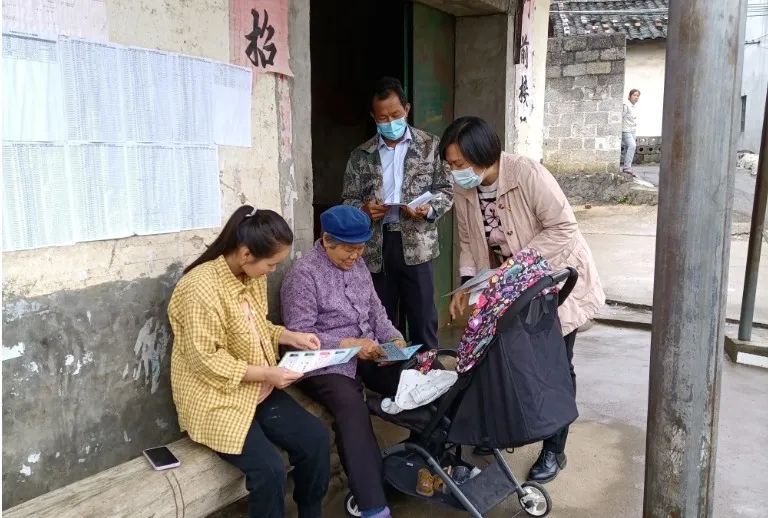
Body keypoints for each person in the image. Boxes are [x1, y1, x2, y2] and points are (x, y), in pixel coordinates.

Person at [441, 116, 605, 484]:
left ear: (483, 154)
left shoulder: (528, 173)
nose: (454, 173)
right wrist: (468, 285)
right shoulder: (464, 189)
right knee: (502, 356)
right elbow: (469, 241)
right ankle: (500, 427)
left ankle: (554, 448)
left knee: (555, 363)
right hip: (507, 286)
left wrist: (514, 267)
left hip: (551, 282)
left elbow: (564, 228)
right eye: (450, 166)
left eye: (459, 164)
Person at [168, 205, 331, 518]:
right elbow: (205, 359)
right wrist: (267, 373)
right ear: (245, 254)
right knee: (269, 472)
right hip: (215, 397)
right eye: (271, 264)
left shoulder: (250, 275)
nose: (273, 271)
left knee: (316, 440)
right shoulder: (199, 289)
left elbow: (254, 325)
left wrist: (289, 336)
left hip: (258, 389)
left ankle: (311, 512)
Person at [281, 205, 407, 518]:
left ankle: (423, 458)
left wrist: (394, 338)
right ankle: (373, 504)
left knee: (414, 374)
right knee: (351, 407)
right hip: (323, 362)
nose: (355, 257)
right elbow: (299, 336)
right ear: (326, 240)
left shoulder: (358, 265)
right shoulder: (304, 275)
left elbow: (376, 312)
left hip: (367, 351)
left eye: (361, 249)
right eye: (348, 250)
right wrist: (348, 345)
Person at [342, 76, 453, 349]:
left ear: (407, 109)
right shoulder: (361, 155)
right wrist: (364, 210)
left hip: (418, 246)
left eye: (395, 114)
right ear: (373, 117)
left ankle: (427, 376)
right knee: (383, 316)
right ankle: (391, 377)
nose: (390, 122)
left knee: (423, 316)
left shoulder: (431, 146)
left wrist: (428, 209)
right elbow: (348, 199)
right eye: (382, 118)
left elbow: (447, 191)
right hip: (376, 248)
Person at [622, 89, 641, 175]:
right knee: (632, 145)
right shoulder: (626, 105)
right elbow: (620, 116)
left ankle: (627, 168)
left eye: (637, 96)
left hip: (633, 130)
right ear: (629, 96)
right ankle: (627, 168)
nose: (636, 97)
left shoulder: (635, 107)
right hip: (625, 130)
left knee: (628, 148)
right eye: (634, 95)